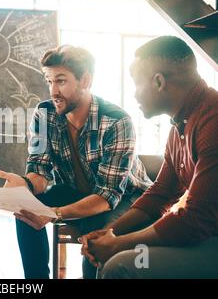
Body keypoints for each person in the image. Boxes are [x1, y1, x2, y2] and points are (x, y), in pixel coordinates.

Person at [0, 45, 152, 279]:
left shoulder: (117, 121)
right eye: (49, 81)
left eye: (61, 81)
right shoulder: (44, 114)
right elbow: (39, 169)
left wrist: (54, 213)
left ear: (86, 80)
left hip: (123, 198)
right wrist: (25, 185)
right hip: (74, 191)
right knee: (26, 209)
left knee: (96, 239)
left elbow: (107, 196)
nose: (53, 90)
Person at [80, 36, 218, 279]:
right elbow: (161, 194)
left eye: (136, 84)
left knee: (119, 265)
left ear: (158, 82)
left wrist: (118, 244)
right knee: (99, 257)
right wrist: (109, 232)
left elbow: (195, 219)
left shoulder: (213, 120)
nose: (134, 95)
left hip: (210, 240)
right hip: (205, 236)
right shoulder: (180, 126)